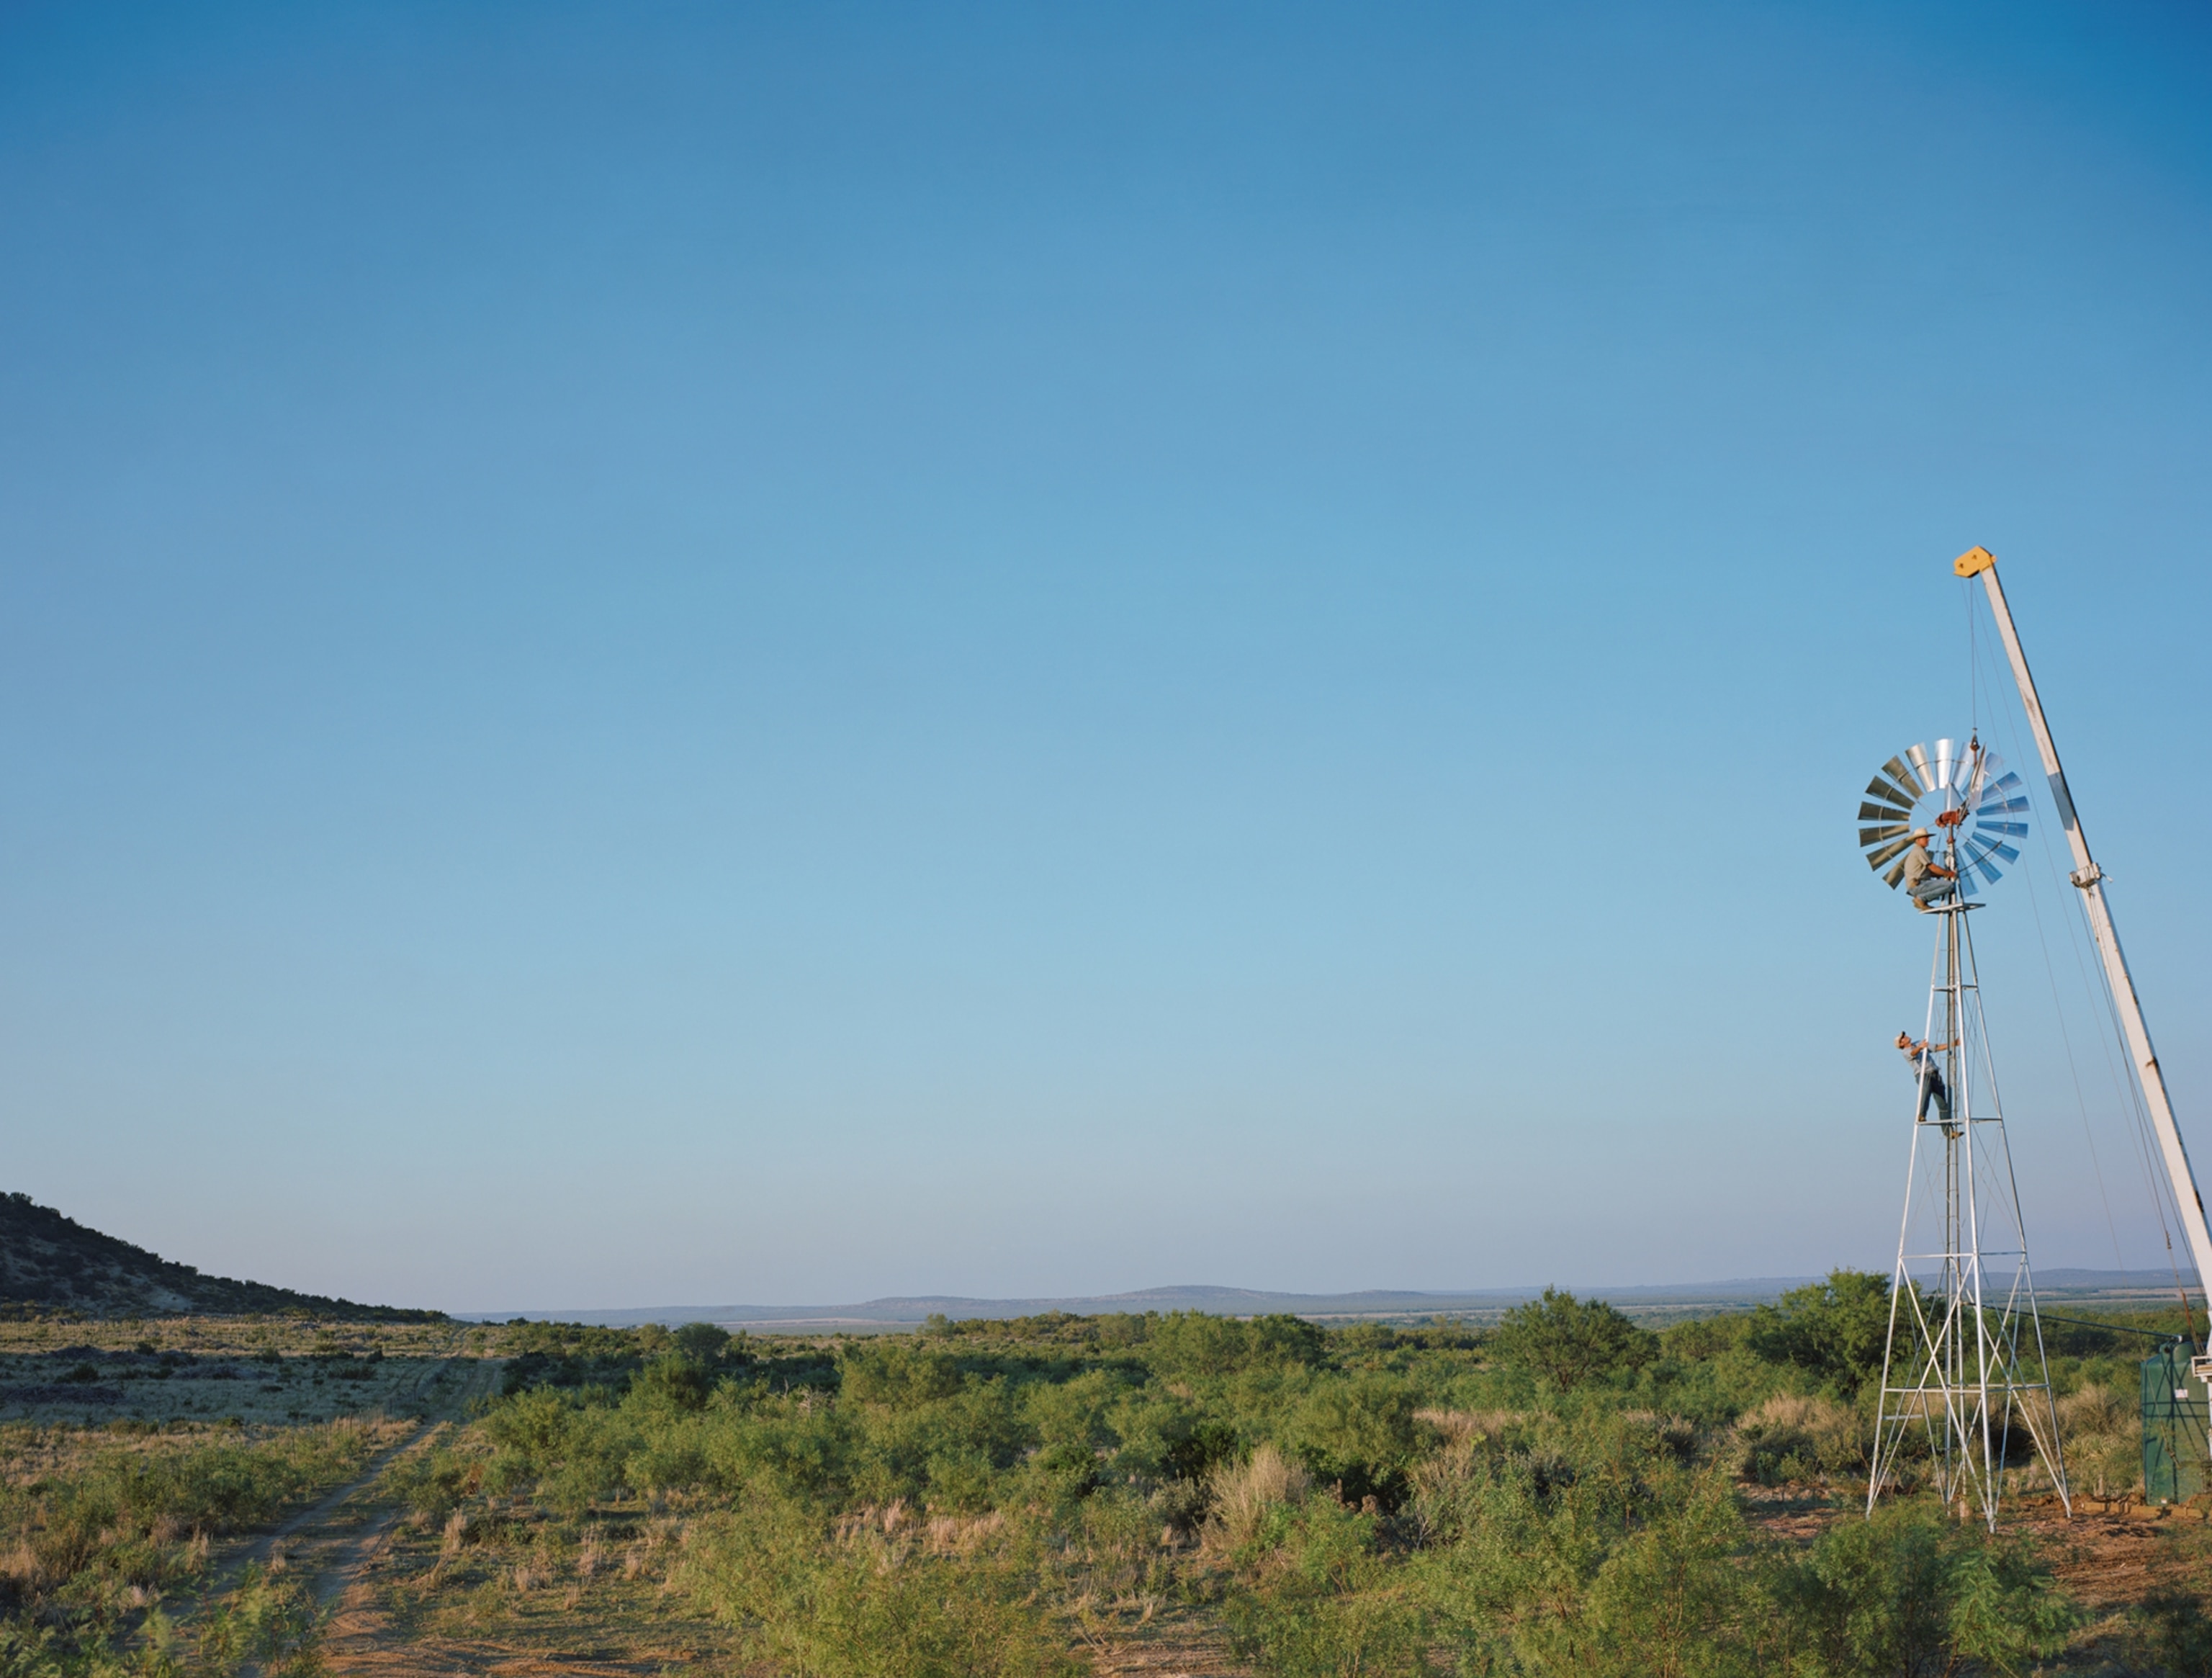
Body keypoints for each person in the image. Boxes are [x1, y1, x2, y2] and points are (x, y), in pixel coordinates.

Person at [1897, 1030, 1956, 1125]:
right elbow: (1913, 1053)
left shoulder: (1919, 1043)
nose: (1906, 1037)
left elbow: (1937, 1048)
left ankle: (1949, 1131)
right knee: (1926, 1090)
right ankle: (1922, 1115)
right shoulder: (1906, 1052)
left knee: (1943, 1104)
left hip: (1935, 1074)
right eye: (1903, 1038)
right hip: (1923, 1074)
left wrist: (1953, 1044)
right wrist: (1920, 1047)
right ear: (1901, 1044)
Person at [1900, 829, 1957, 910]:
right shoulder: (1919, 851)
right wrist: (1949, 873)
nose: (1928, 839)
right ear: (1918, 840)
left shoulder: (1917, 851)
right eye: (1926, 838)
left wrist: (1942, 873)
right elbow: (1932, 867)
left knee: (1945, 885)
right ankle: (1921, 899)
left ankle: (1921, 899)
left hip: (1915, 886)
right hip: (1918, 886)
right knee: (1949, 885)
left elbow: (1928, 872)